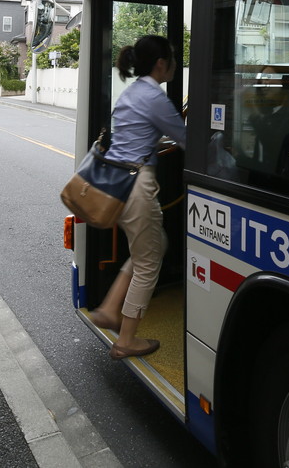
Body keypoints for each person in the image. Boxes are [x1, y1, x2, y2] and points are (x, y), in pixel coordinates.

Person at [88, 35, 186, 360]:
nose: (174, 63)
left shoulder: (131, 92)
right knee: (149, 261)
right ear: (162, 64)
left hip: (116, 183)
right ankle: (126, 339)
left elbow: (136, 136)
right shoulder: (154, 97)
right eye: (172, 57)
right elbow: (187, 139)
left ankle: (109, 309)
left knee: (154, 243)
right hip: (138, 185)